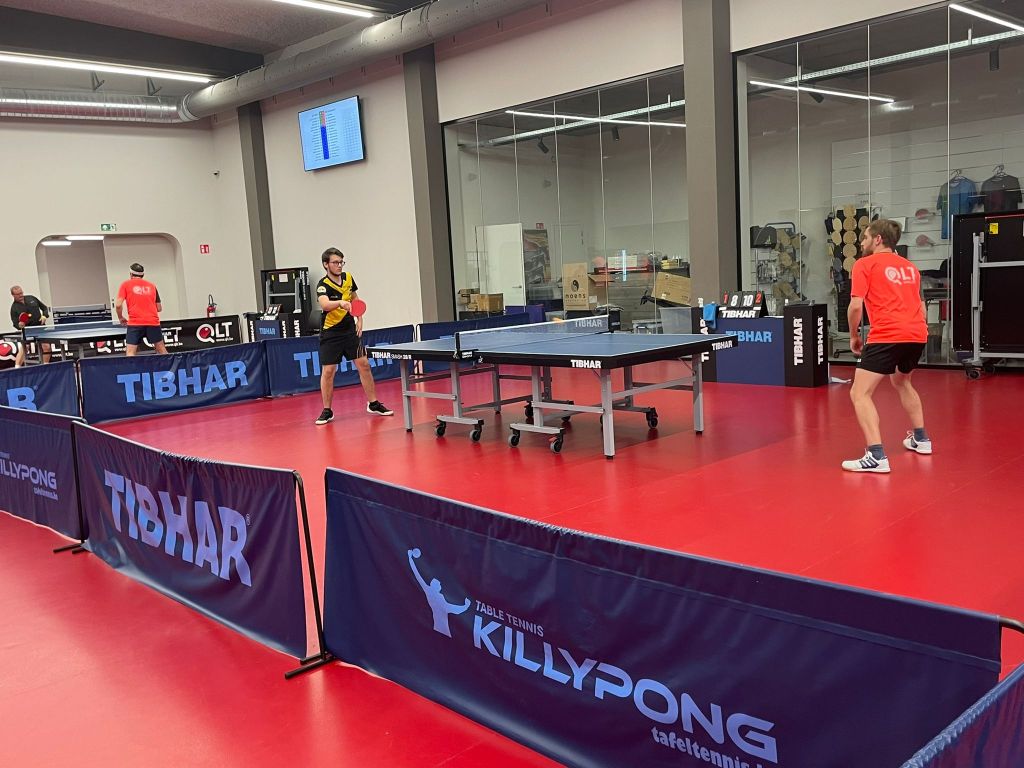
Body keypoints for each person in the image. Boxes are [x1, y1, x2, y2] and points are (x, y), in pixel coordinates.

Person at [843, 219, 931, 474]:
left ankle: (876, 456)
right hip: (916, 334)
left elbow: (856, 306)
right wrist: (914, 330)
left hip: (887, 335)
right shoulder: (911, 268)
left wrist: (853, 336)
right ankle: (921, 439)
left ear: (878, 239)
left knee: (859, 393)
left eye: (865, 237)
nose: (861, 243)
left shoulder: (864, 264)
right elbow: (921, 307)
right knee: (902, 382)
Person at [314, 247, 393, 424]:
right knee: (328, 371)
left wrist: (360, 319)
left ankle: (373, 403)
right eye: (335, 262)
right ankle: (327, 410)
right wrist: (340, 303)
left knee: (364, 364)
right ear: (326, 264)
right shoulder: (322, 285)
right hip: (330, 332)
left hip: (350, 330)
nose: (339, 265)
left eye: (341, 262)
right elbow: (325, 305)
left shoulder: (348, 278)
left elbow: (355, 299)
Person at [115, 263, 167, 356]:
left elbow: (118, 305)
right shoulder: (152, 286)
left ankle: (132, 366)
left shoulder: (125, 284)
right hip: (153, 322)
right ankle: (171, 365)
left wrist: (120, 317)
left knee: (130, 353)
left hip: (135, 323)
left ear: (131, 274)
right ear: (143, 275)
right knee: (162, 350)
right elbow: (159, 308)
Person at [9, 285, 51, 363]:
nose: (21, 295)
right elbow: (15, 323)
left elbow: (45, 308)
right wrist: (19, 325)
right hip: (27, 330)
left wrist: (44, 316)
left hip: (40, 327)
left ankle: (45, 366)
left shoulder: (32, 298)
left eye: (21, 293)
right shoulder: (14, 308)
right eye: (18, 294)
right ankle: (17, 367)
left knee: (47, 347)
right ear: (13, 295)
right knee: (25, 348)